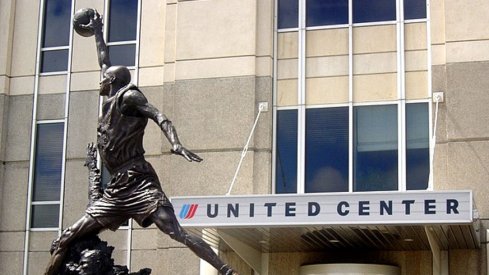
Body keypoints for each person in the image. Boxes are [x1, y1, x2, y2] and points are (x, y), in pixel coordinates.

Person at [45, 11, 237, 275]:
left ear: (112, 81)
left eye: (105, 78)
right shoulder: (111, 92)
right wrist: (98, 32)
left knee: (175, 231)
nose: (101, 79)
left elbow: (160, 116)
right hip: (115, 190)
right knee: (66, 238)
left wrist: (176, 143)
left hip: (139, 181)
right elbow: (104, 59)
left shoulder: (130, 97)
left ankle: (227, 271)